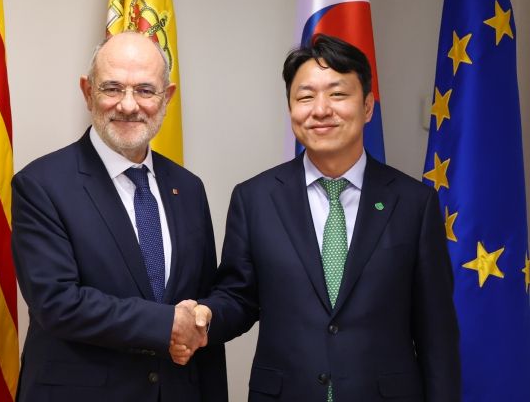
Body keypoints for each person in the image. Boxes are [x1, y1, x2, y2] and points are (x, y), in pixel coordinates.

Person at [176, 34, 461, 401]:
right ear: (291, 109)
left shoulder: (414, 204)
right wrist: (205, 316)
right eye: (306, 97)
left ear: (368, 106)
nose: (321, 110)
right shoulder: (255, 199)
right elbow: (239, 297)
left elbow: (436, 332)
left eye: (338, 94)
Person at [11, 31, 227, 402]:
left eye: (145, 90)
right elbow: (57, 302)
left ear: (167, 97)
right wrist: (166, 324)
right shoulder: (41, 184)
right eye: (112, 88)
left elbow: (200, 304)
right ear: (87, 92)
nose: (128, 105)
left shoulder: (188, 188)